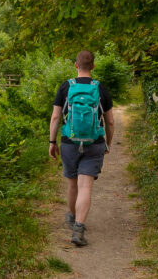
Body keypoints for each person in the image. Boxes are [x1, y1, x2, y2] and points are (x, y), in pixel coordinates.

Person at [49, 50, 115, 247]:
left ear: (76, 65)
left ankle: (72, 218)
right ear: (93, 66)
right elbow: (110, 122)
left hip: (69, 142)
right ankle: (79, 228)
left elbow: (55, 117)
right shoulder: (100, 88)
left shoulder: (66, 87)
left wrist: (52, 142)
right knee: (85, 186)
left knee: (72, 185)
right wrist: (108, 143)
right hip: (94, 142)